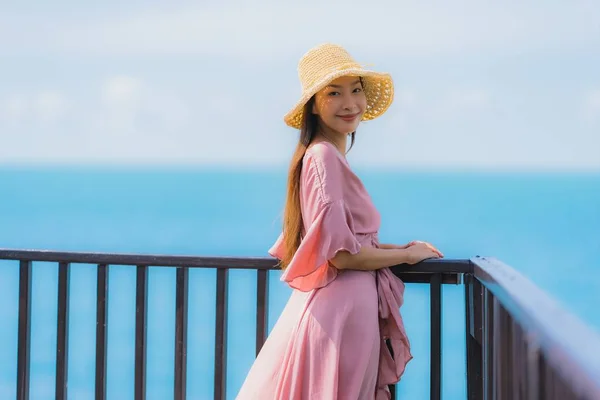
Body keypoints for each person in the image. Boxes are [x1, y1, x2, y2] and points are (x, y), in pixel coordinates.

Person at [236, 43, 444, 400]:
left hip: (343, 315)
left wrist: (399, 248)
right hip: (340, 315)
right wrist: (408, 257)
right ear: (314, 104)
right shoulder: (323, 157)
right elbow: (341, 256)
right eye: (334, 93)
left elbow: (347, 241)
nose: (350, 103)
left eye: (356, 90)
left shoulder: (326, 156)